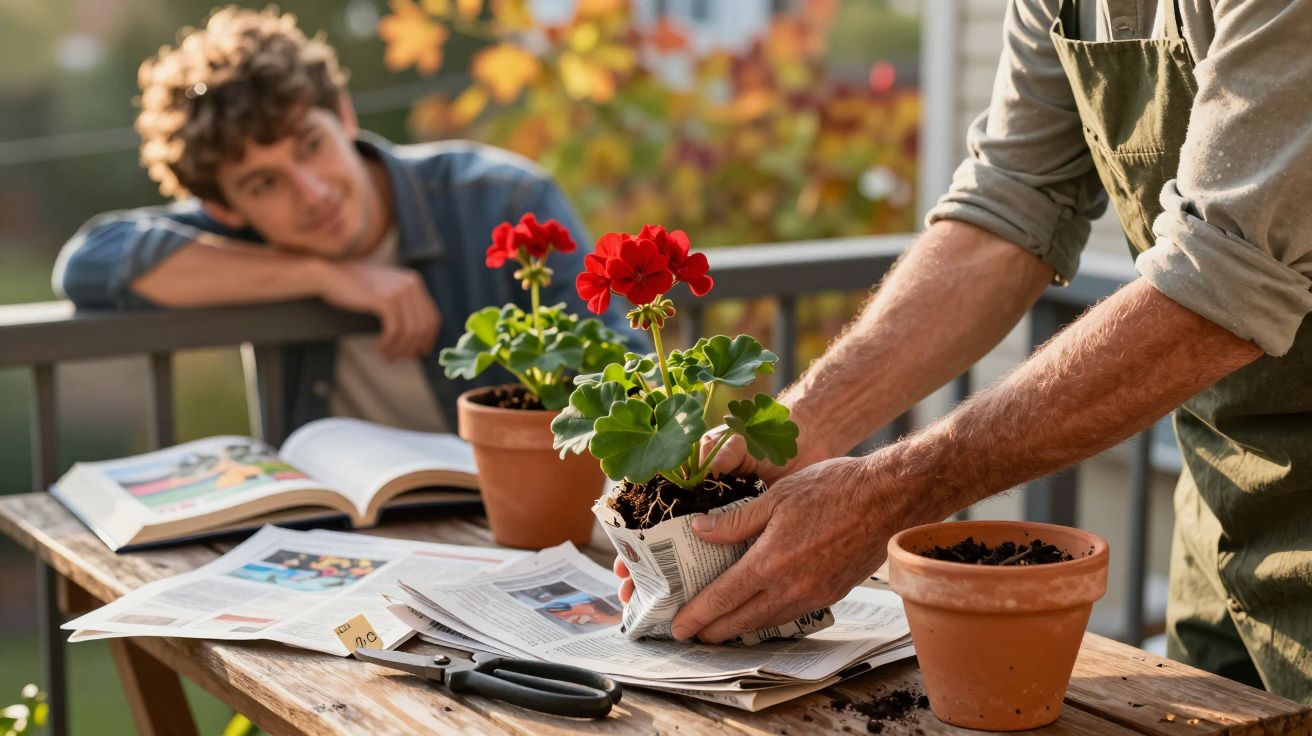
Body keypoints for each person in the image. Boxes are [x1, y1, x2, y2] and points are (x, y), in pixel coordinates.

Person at [616, 0, 1312, 702]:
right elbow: (1013, 205)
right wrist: (802, 425)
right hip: (1224, 498)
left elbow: (1222, 281)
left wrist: (884, 497)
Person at [51, 7, 637, 434]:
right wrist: (320, 276)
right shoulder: (237, 239)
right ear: (224, 208)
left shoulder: (502, 198)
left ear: (344, 114)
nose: (310, 193)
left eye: (309, 145)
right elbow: (91, 261)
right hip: (338, 546)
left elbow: (625, 373)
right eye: (264, 183)